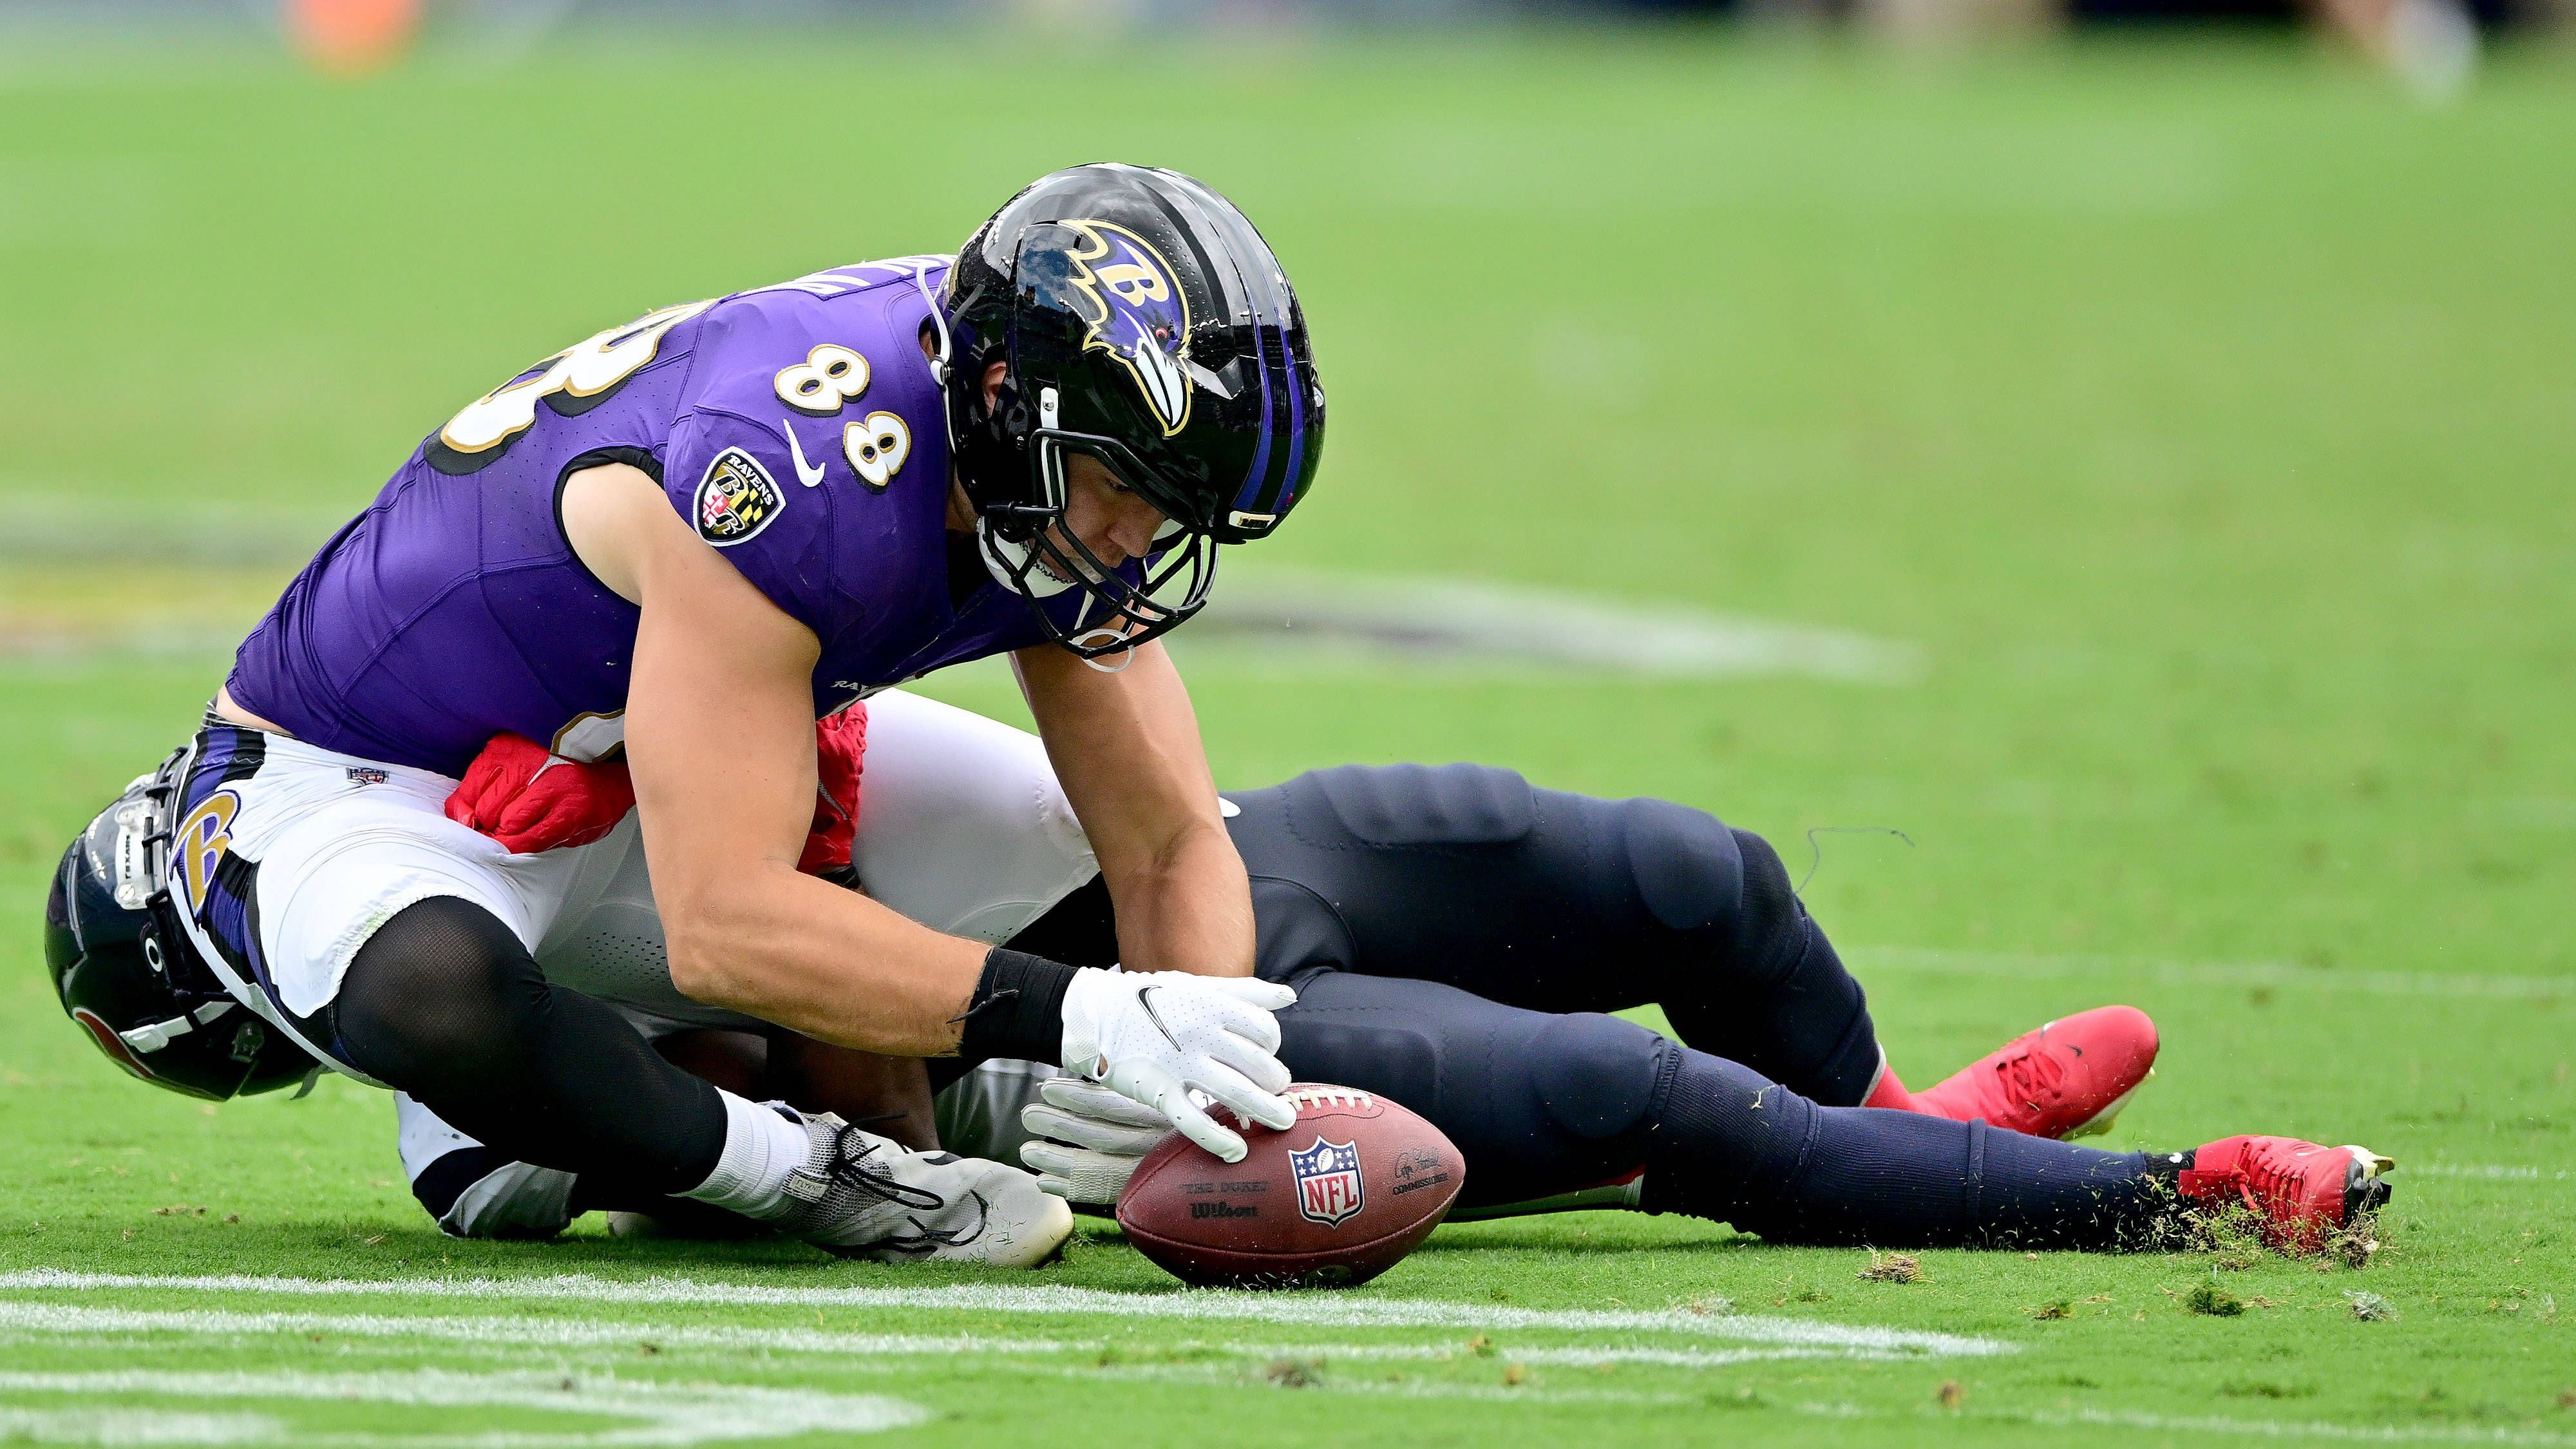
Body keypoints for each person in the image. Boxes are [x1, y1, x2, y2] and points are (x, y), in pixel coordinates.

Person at [40, 163, 1332, 1265]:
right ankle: (824, 1173)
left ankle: (929, 1086)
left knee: (1147, 894)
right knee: (438, 995)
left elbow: (1161, 841)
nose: (1138, 538)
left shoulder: (1009, 402)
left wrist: (1189, 1071)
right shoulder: (789, 470)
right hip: (444, 792)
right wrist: (1086, 1024)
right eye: (1125, 487)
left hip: (661, 758)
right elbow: (724, 925)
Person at [52, 690, 2393, 1258]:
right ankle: (2183, 1200)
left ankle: (1919, 1129)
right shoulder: (461, 1062)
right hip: (1118, 1058)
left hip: (1218, 870)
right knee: (1634, 1096)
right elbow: (752, 1124)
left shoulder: (458, 706)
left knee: (1711, 880)